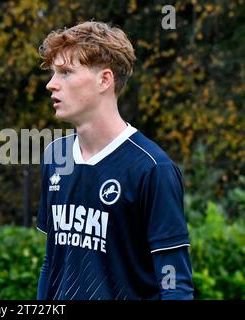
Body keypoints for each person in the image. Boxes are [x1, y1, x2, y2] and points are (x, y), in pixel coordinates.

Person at [36, 21, 194, 300]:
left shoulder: (152, 168)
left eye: (66, 73)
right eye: (53, 73)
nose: (51, 84)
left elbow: (174, 284)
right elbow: (52, 263)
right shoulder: (55, 156)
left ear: (104, 80)